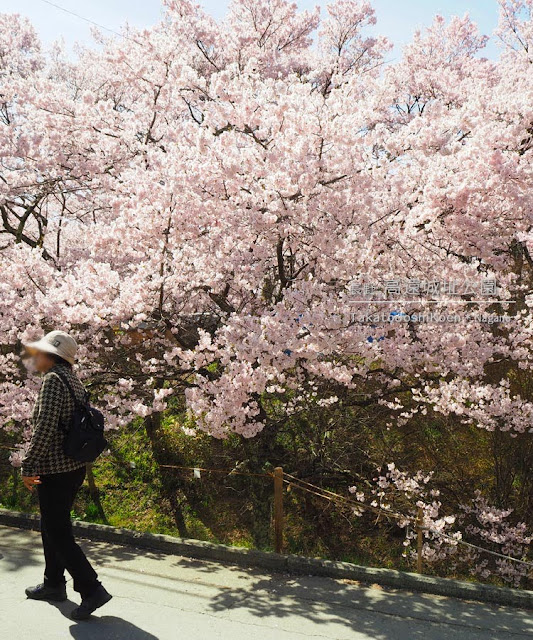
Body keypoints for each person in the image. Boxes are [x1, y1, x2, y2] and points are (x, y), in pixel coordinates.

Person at [21, 330, 112, 621]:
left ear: (52, 355)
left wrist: (28, 466)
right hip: (74, 468)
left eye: (40, 353)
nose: (36, 358)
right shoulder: (73, 379)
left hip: (55, 471)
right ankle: (53, 585)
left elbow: (45, 428)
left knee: (59, 533)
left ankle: (91, 589)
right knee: (52, 527)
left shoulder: (52, 381)